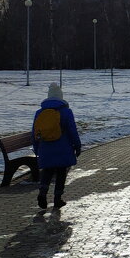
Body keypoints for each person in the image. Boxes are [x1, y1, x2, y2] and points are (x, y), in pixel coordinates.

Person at [31, 83, 82, 211]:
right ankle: (57, 199)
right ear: (61, 96)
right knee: (61, 173)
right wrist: (77, 145)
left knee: (47, 172)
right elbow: (72, 130)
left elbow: (34, 132)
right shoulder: (66, 112)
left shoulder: (39, 112)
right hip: (63, 148)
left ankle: (42, 193)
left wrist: (37, 148)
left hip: (45, 148)